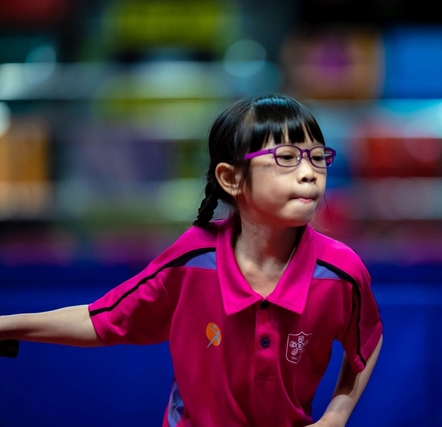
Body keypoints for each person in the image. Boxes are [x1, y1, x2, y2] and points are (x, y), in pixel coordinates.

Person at [0, 94, 383, 427]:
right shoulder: (193, 258)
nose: (310, 173)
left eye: (317, 157)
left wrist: (335, 417)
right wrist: (8, 325)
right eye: (286, 157)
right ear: (231, 178)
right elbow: (103, 319)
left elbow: (368, 339)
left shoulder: (341, 271)